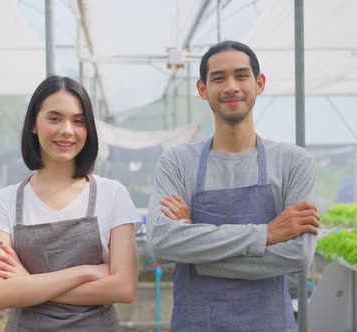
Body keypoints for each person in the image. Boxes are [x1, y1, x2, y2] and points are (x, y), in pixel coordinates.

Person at [146, 40, 320, 332]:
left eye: (241, 76)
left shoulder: (293, 162)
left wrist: (196, 254)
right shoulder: (177, 162)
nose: (231, 86)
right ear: (202, 89)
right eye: (218, 78)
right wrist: (267, 233)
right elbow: (161, 244)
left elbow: (298, 256)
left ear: (259, 83)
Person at [0, 75, 141, 331]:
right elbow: (1, 294)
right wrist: (86, 272)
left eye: (78, 121)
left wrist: (28, 284)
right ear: (34, 123)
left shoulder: (113, 194)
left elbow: (124, 288)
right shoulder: (5, 201)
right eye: (54, 118)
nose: (67, 130)